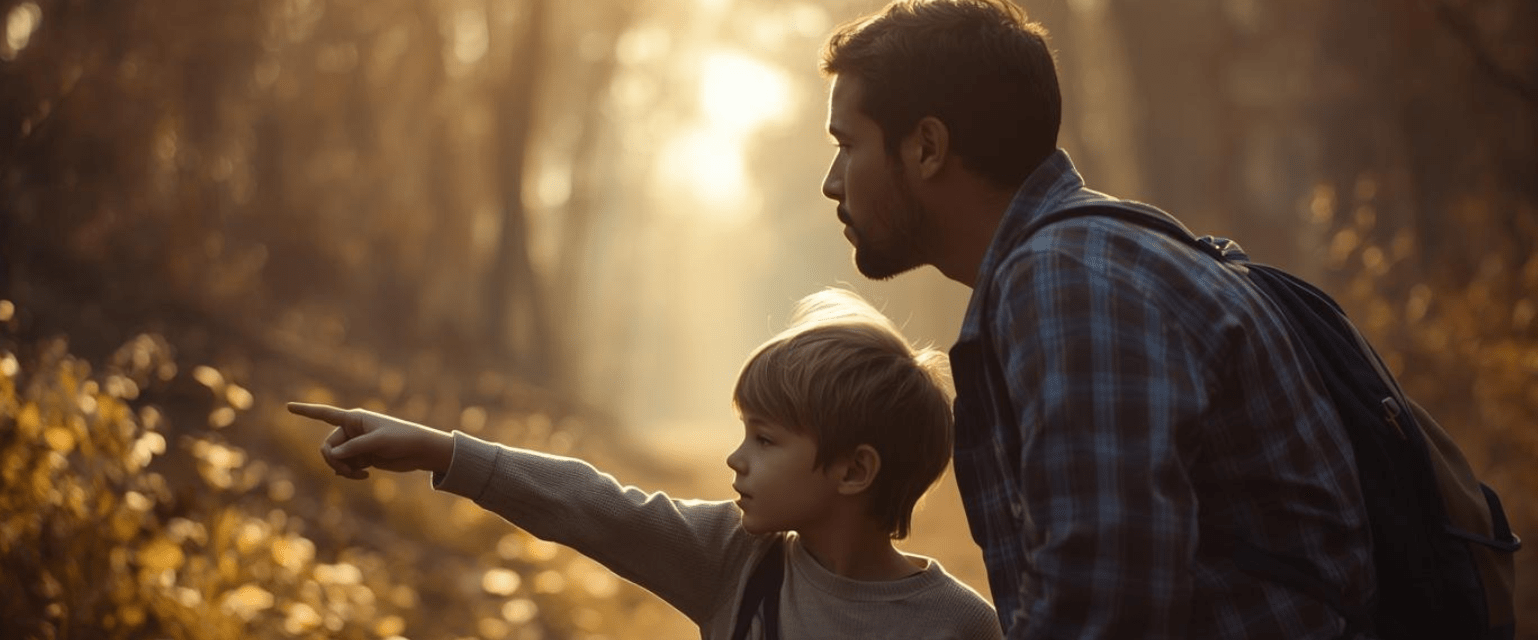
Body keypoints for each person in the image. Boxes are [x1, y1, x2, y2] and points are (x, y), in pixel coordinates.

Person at [818, 1, 1373, 638]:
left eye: (846, 144)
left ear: (927, 147)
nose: (833, 183)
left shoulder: (1068, 283)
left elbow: (1104, 608)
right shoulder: (1084, 257)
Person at [289, 288, 1003, 640]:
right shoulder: (738, 562)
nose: (736, 457)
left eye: (765, 439)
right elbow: (593, 505)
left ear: (853, 471)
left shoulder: (959, 627)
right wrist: (435, 448)